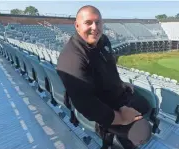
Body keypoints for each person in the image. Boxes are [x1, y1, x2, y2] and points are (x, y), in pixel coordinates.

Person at [56, 5, 152, 149]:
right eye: (88, 22)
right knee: (142, 133)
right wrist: (120, 118)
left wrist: (120, 84)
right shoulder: (71, 58)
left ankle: (112, 137)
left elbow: (109, 69)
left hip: (118, 95)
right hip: (102, 107)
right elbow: (86, 104)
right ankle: (109, 133)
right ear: (77, 25)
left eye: (98, 22)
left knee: (147, 104)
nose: (95, 27)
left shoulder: (103, 40)